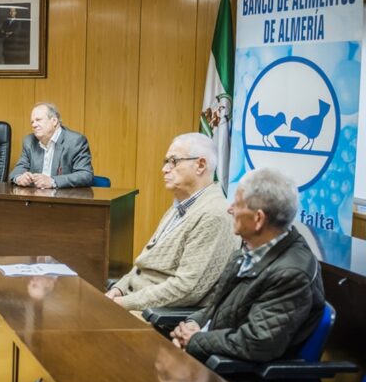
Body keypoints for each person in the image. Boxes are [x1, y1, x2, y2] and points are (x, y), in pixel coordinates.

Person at [171, 168, 324, 367]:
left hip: (237, 379)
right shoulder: (250, 250)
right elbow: (217, 309)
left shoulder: (291, 273)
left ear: (258, 219)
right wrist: (191, 325)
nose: (230, 209)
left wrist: (194, 341)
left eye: (237, 204)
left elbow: (258, 342)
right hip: (209, 358)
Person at [107, 133, 238, 310]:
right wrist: (118, 289)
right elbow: (145, 263)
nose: (165, 169)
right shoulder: (180, 205)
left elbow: (186, 289)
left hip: (153, 315)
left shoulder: (213, 215)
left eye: (174, 161)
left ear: (200, 165)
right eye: (166, 162)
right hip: (132, 302)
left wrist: (124, 303)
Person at [9, 102, 93, 189]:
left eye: (38, 120)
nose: (34, 125)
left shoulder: (75, 141)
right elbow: (19, 168)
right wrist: (19, 178)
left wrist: (53, 181)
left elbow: (85, 175)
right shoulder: (29, 141)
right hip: (35, 197)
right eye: (32, 122)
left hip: (63, 198)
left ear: (54, 121)